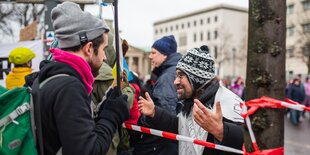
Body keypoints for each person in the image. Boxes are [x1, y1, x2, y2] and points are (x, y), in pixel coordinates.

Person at [25, 2, 129, 154]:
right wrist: (111, 116)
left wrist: (105, 109)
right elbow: (88, 151)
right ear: (88, 48)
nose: (105, 57)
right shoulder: (69, 88)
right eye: (103, 49)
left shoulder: (52, 77)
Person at [138, 45, 244, 155]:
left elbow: (250, 138)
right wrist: (155, 112)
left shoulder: (227, 102)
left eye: (181, 76)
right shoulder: (191, 101)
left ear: (196, 80)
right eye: (176, 76)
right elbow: (181, 127)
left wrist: (222, 131)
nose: (175, 82)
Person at [134, 35, 181, 155]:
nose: (150, 56)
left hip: (159, 144)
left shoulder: (166, 77)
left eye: (154, 53)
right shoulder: (169, 72)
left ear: (165, 54)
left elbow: (165, 112)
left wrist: (142, 121)